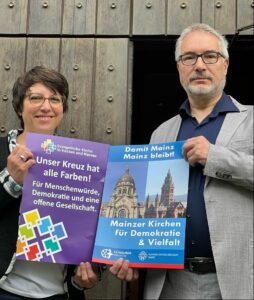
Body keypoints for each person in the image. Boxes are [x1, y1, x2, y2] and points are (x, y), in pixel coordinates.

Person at [110, 23, 253, 299]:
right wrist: (133, 254)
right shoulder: (161, 132)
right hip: (170, 283)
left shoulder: (250, 119)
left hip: (236, 282)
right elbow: (148, 209)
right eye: (189, 57)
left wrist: (215, 157)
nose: (199, 65)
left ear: (225, 64)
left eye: (209, 56)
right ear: (179, 67)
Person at [0, 66, 100, 299]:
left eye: (55, 99)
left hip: (59, 293)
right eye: (35, 98)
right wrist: (11, 181)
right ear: (19, 106)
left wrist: (84, 276)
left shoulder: (82, 163)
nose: (46, 106)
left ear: (62, 109)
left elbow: (90, 229)